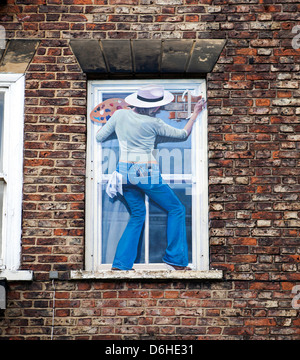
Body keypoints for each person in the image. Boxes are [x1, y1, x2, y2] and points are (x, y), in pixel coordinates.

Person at [96, 84, 206, 271]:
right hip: (144, 171)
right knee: (177, 208)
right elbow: (182, 135)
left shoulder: (120, 115)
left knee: (137, 215)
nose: (161, 109)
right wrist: (195, 113)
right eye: (159, 106)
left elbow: (100, 137)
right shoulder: (155, 123)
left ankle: (120, 265)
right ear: (155, 108)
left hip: (123, 172)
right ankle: (176, 260)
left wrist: (125, 131)